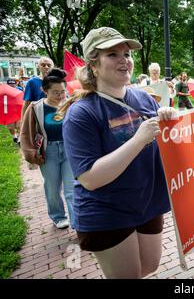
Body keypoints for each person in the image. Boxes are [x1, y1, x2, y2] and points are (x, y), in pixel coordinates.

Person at [60, 27, 177, 279]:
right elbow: (90, 178)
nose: (124, 59)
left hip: (147, 202)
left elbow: (166, 147)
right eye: (112, 54)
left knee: (149, 267)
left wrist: (172, 124)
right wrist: (138, 139)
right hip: (106, 211)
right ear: (94, 65)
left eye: (126, 53)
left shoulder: (145, 100)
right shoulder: (81, 113)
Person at [20, 68, 74, 229]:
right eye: (55, 92)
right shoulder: (36, 108)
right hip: (48, 151)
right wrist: (30, 154)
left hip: (69, 149)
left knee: (71, 189)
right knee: (52, 187)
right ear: (45, 91)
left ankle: (76, 221)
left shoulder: (71, 104)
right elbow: (26, 132)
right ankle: (58, 217)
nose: (60, 95)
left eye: (63, 91)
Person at [5, 78, 23, 144]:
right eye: (10, 85)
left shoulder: (20, 89)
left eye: (13, 85)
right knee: (10, 127)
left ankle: (19, 138)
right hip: (9, 111)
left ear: (16, 84)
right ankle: (14, 136)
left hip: (18, 110)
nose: (11, 87)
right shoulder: (4, 92)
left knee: (19, 126)